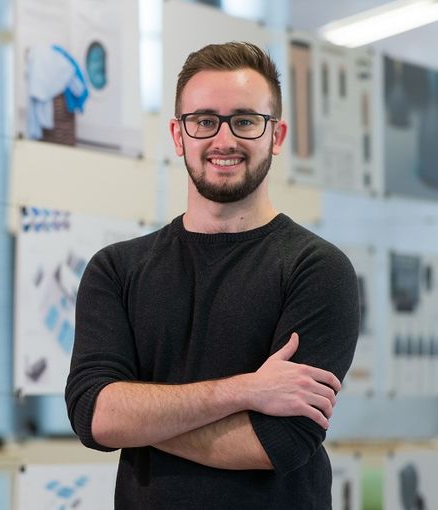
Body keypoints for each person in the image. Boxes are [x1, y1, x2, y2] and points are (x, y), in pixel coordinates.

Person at [65, 41, 359, 509]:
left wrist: (138, 418)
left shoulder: (318, 269)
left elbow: (276, 443)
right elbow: (93, 415)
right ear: (178, 135)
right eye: (204, 121)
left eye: (245, 121)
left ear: (276, 135)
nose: (224, 140)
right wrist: (246, 390)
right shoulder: (117, 270)